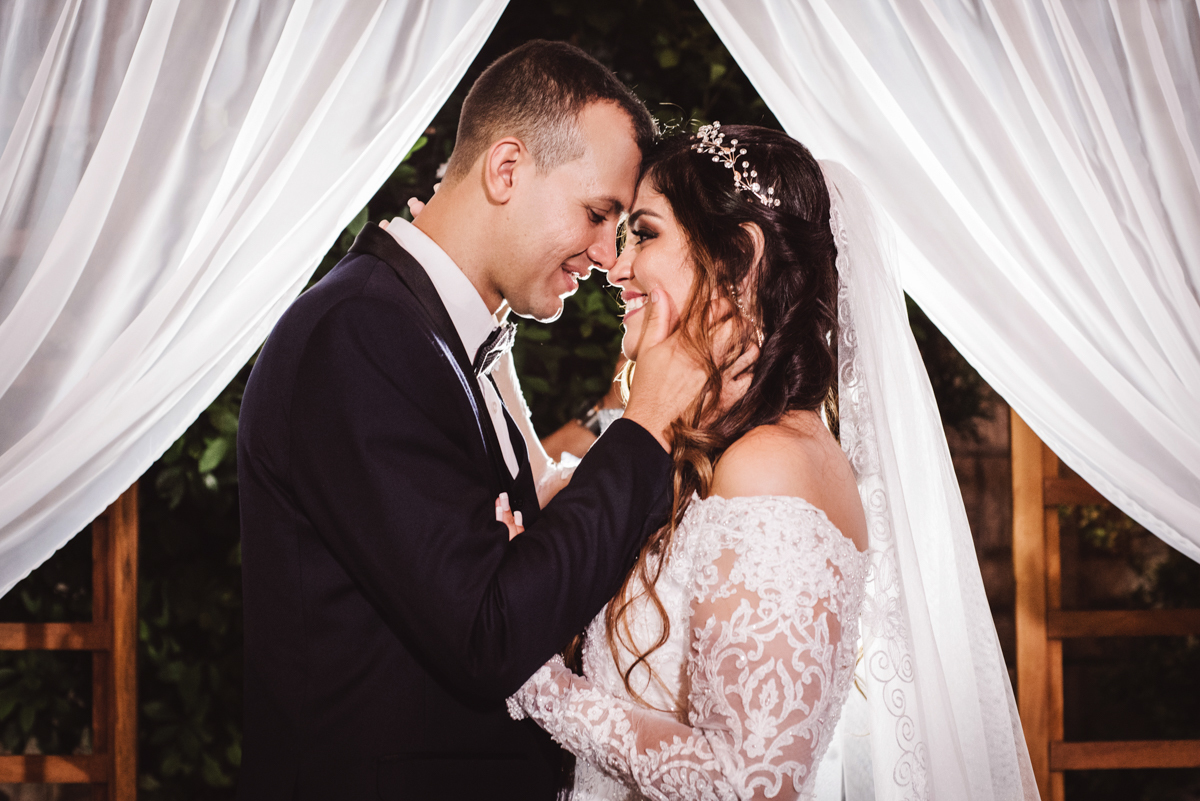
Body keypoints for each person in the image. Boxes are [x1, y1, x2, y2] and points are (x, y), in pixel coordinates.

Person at [236, 41, 734, 801]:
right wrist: (646, 424)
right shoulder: (361, 333)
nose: (609, 257)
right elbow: (489, 634)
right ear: (506, 170)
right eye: (597, 214)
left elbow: (507, 593)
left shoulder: (432, 335)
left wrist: (535, 549)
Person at [504, 125, 1039, 800]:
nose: (616, 266)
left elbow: (750, 783)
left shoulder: (774, 465)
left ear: (739, 256)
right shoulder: (719, 450)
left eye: (645, 234)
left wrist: (537, 680)